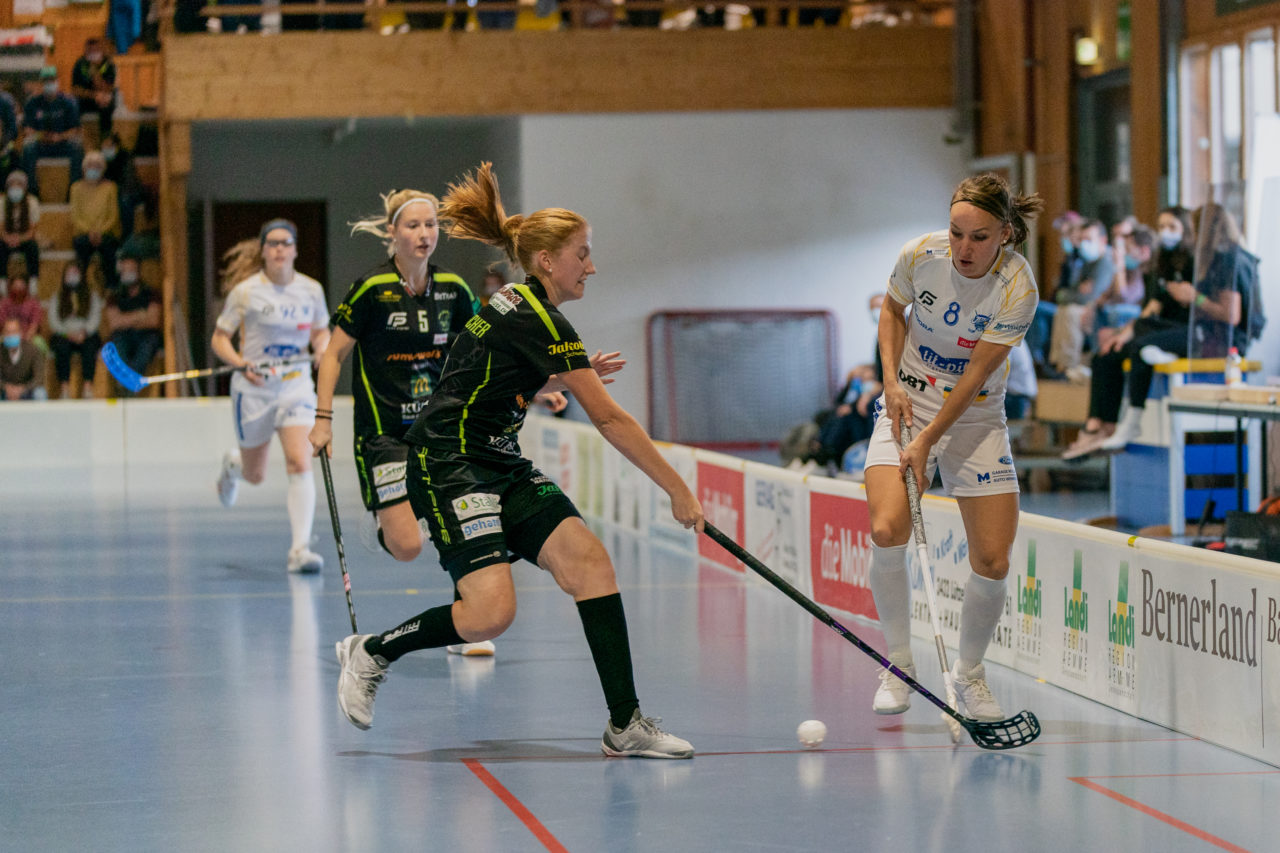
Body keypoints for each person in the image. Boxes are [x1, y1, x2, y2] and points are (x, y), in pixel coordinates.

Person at [333, 162, 702, 760]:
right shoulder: (537, 315)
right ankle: (373, 650)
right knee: (489, 615)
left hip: (497, 461)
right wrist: (676, 488)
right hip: (449, 464)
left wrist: (546, 380)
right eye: (582, 254)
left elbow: (474, 375)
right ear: (547, 261)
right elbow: (608, 418)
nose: (592, 265)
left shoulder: (523, 307)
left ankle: (624, 723)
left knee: (590, 563)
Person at [864, 173, 1041, 722]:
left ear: (1006, 234)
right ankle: (898, 665)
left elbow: (974, 378)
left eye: (980, 237)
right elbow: (892, 312)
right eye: (957, 232)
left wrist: (928, 443)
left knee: (992, 557)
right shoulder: (920, 254)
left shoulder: (1018, 288)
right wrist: (892, 382)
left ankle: (968, 676)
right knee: (887, 529)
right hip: (909, 403)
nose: (965, 248)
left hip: (975, 416)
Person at [309, 189, 514, 657]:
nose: (424, 235)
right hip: (383, 434)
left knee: (458, 522)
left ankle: (468, 619)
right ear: (392, 234)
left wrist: (538, 387)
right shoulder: (371, 289)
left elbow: (484, 353)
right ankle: (382, 524)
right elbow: (334, 354)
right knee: (407, 547)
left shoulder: (455, 291)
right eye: (413, 226)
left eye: (431, 226)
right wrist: (323, 419)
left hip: (441, 430)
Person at [1061, 203, 1259, 457]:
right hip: (1181, 328)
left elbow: (1230, 314)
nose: (1167, 233)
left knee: (1141, 347)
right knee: (1108, 352)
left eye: (1174, 227)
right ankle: (1098, 425)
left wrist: (1194, 297)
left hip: (1211, 337)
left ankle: (1130, 421)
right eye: (1162, 226)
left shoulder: (1224, 260)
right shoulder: (1175, 260)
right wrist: (1124, 333)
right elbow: (1153, 307)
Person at [212, 220, 331, 574]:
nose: (280, 249)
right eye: (273, 243)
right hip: (255, 388)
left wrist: (322, 348)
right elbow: (220, 339)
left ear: (295, 249)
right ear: (263, 250)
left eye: (286, 243)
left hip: (295, 384)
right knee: (256, 474)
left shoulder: (311, 290)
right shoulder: (246, 292)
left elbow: (321, 331)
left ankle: (299, 550)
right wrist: (240, 363)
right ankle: (233, 467)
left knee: (300, 461)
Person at [20, 67, 84, 199]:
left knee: (77, 147)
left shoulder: (68, 102)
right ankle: (32, 191)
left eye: (52, 80)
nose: (49, 84)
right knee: (27, 148)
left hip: (62, 143)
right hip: (41, 144)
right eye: (46, 81)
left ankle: (73, 190)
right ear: (41, 83)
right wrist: (41, 136)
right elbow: (27, 129)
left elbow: (75, 129)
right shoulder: (33, 103)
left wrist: (60, 137)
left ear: (57, 81)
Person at [46, 261, 104, 399]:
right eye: (69, 273)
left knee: (91, 346)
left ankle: (88, 387)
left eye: (75, 273)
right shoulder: (58, 297)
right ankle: (64, 389)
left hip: (85, 334)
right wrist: (67, 333)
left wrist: (84, 332)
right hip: (64, 334)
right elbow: (53, 321)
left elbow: (95, 318)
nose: (72, 276)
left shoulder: (91, 296)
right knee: (61, 347)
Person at [104, 256, 162, 385]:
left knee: (147, 346)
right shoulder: (114, 295)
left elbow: (153, 321)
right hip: (122, 336)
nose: (128, 273)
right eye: (125, 270)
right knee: (116, 346)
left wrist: (125, 319)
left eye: (132, 269)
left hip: (146, 336)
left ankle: (127, 385)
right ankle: (128, 384)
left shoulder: (151, 293)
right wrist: (140, 315)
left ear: (138, 271)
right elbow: (114, 323)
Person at [70, 151, 122, 288]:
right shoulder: (75, 188)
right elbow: (75, 217)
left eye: (97, 166)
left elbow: (113, 216)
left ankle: (112, 288)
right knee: (81, 248)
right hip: (83, 234)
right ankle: (80, 289)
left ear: (103, 169)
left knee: (109, 250)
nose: (93, 169)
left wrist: (99, 231)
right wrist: (90, 232)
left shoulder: (110, 188)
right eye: (90, 166)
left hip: (106, 233)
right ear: (84, 169)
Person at [70, 38, 119, 139]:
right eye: (90, 51)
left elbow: (108, 88)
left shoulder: (108, 64)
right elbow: (75, 89)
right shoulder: (80, 63)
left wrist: (95, 71)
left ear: (101, 50)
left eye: (95, 50)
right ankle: (75, 136)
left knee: (106, 104)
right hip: (87, 98)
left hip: (104, 98)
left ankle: (106, 139)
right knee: (72, 105)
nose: (93, 53)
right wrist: (94, 95)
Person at [2, 170, 40, 282]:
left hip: (24, 238)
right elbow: (1, 228)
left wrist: (19, 239)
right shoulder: (2, 202)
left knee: (33, 247)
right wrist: (8, 238)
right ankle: (2, 283)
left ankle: (33, 282)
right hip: (7, 238)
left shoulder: (32, 202)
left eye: (19, 185)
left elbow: (32, 230)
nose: (15, 188)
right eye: (12, 185)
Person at [1, 316, 47, 401]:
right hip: (4, 391)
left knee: (40, 393)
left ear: (20, 333)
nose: (11, 335)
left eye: (14, 332)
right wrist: (6, 388)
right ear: (3, 334)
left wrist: (22, 389)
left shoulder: (33, 351)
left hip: (27, 390)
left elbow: (39, 378)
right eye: (7, 332)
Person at [0, 273, 45, 343]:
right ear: (10, 287)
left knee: (39, 343)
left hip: (29, 336)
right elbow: (2, 324)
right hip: (8, 335)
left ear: (27, 287)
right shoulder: (4, 303)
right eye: (16, 286)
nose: (18, 288)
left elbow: (34, 324)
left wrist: (27, 336)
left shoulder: (34, 303)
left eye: (21, 286)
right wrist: (11, 336)